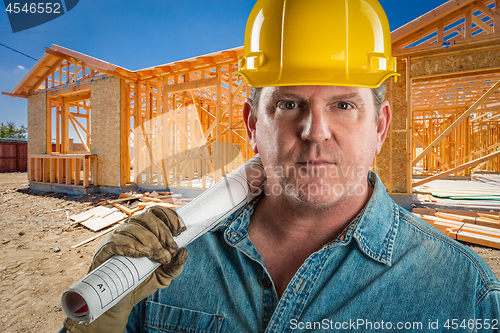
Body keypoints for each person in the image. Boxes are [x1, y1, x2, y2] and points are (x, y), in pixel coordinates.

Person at [63, 0, 500, 332]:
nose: (314, 131)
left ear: (381, 127)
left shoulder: (464, 293)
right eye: (289, 104)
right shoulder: (162, 266)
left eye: (344, 104)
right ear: (253, 124)